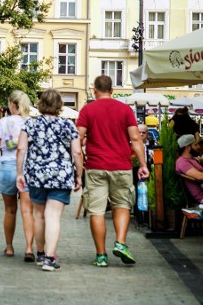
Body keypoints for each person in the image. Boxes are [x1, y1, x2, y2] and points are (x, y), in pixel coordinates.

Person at [76, 75, 149, 268]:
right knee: (122, 205)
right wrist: (143, 164)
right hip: (121, 166)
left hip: (96, 167)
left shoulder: (87, 110)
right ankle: (121, 243)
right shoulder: (125, 109)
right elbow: (135, 139)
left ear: (94, 90)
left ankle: (101, 255)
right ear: (112, 90)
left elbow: (78, 138)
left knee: (97, 211)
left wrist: (79, 157)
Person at [16, 89, 83, 272]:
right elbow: (77, 152)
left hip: (36, 175)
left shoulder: (29, 124)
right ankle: (50, 258)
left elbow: (21, 149)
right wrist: (79, 175)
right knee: (53, 216)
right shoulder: (68, 126)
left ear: (41, 104)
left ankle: (39, 253)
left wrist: (20, 173)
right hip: (61, 176)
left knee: (39, 215)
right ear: (59, 105)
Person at [0, 91, 35, 261]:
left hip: (8, 166)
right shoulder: (31, 122)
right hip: (27, 167)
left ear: (12, 104)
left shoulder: (3, 122)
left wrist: (7, 143)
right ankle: (29, 248)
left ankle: (9, 247)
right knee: (28, 211)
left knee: (10, 210)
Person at [175, 134, 203, 220]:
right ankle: (200, 208)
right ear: (188, 148)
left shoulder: (192, 159)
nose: (199, 147)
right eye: (195, 144)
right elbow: (199, 176)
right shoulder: (182, 162)